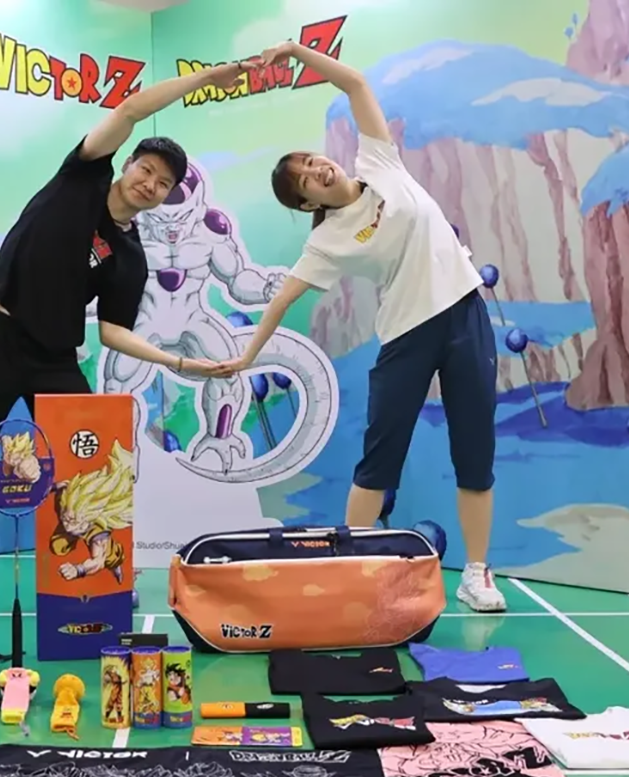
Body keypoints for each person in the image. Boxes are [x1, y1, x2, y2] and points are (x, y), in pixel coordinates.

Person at [216, 41, 505, 614]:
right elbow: (283, 299)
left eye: (310, 161)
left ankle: (477, 574)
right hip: (407, 335)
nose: (316, 170)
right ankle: (350, 571)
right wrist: (247, 357)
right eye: (304, 181)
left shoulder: (378, 162)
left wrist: (295, 51)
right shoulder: (327, 240)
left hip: (465, 313)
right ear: (306, 204)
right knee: (379, 459)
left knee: (475, 452)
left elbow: (354, 84)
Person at [0, 61, 255, 496]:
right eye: (145, 170)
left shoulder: (131, 257)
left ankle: (83, 543)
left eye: (163, 183)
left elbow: (113, 331)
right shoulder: (82, 177)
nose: (150, 184)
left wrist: (178, 363)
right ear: (127, 164)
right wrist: (206, 78)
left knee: (90, 470)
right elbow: (131, 110)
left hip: (53, 358)